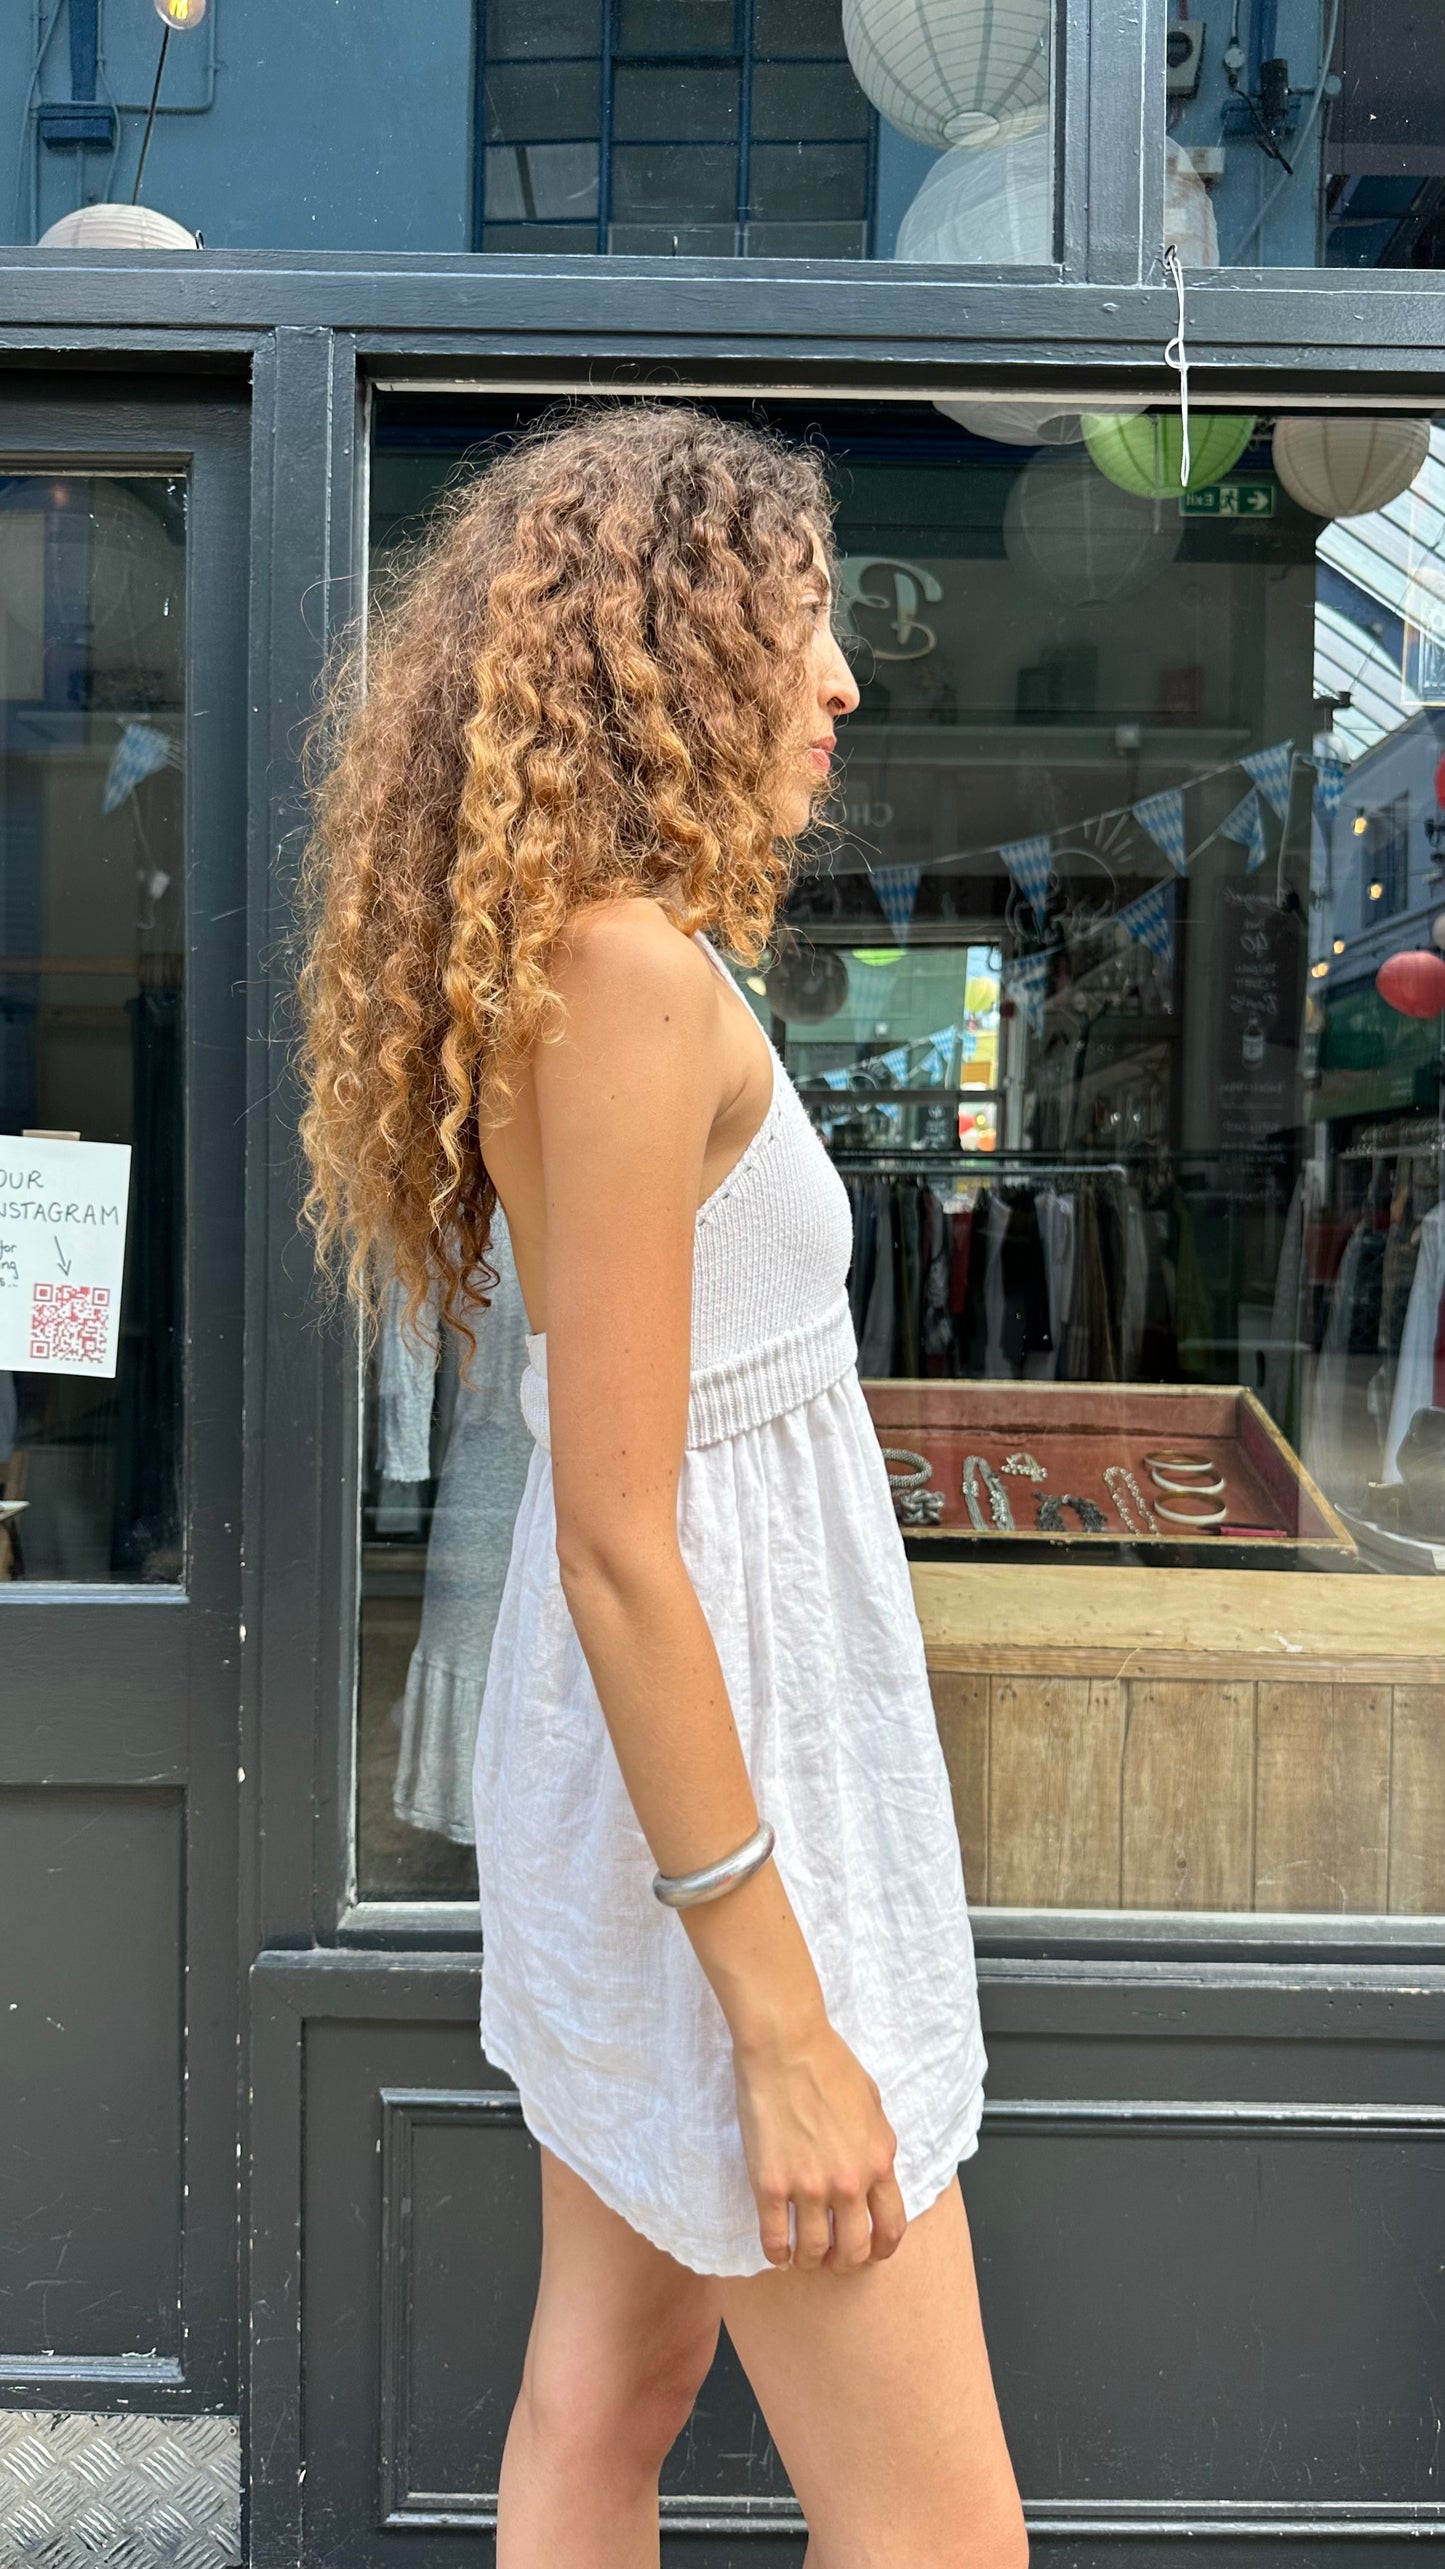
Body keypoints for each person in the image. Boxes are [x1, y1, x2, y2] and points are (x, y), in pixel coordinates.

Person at [297, 404, 1026, 2569]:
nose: (842, 684)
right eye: (801, 630)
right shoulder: (621, 974)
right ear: (668, 655)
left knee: (608, 2394)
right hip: (724, 1783)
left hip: (679, 1764)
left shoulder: (617, 958)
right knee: (941, 2535)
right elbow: (623, 1541)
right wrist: (782, 2023)